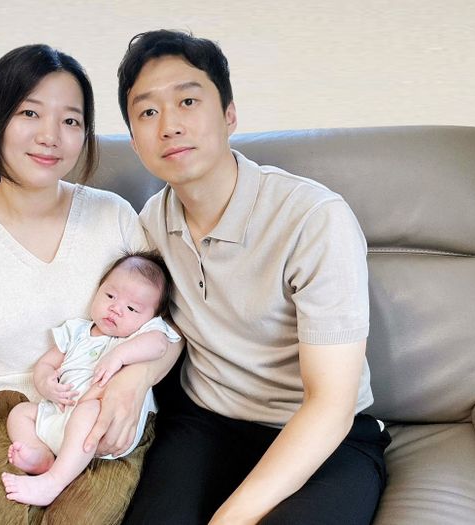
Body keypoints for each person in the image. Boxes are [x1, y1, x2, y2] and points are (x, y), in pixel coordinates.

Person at [0, 44, 182, 525]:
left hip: (106, 408)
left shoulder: (113, 216)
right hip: (11, 418)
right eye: (30, 113)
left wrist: (135, 381)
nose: (51, 136)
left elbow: (169, 328)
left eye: (70, 120)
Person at [116, 30, 392, 524]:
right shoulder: (151, 223)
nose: (170, 126)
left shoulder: (313, 218)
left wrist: (230, 518)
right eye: (148, 112)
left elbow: (330, 404)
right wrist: (135, 377)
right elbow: (158, 328)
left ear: (229, 115)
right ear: (135, 142)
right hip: (204, 424)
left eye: (187, 101)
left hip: (322, 435)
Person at [2, 251, 180, 506]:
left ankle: (53, 481)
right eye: (110, 296)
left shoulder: (143, 334)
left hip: (104, 426)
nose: (116, 308)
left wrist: (120, 355)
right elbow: (47, 364)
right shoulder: (77, 331)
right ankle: (42, 456)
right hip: (60, 414)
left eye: (132, 308)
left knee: (88, 411)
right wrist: (46, 383)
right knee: (20, 413)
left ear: (151, 317)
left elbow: (160, 345)